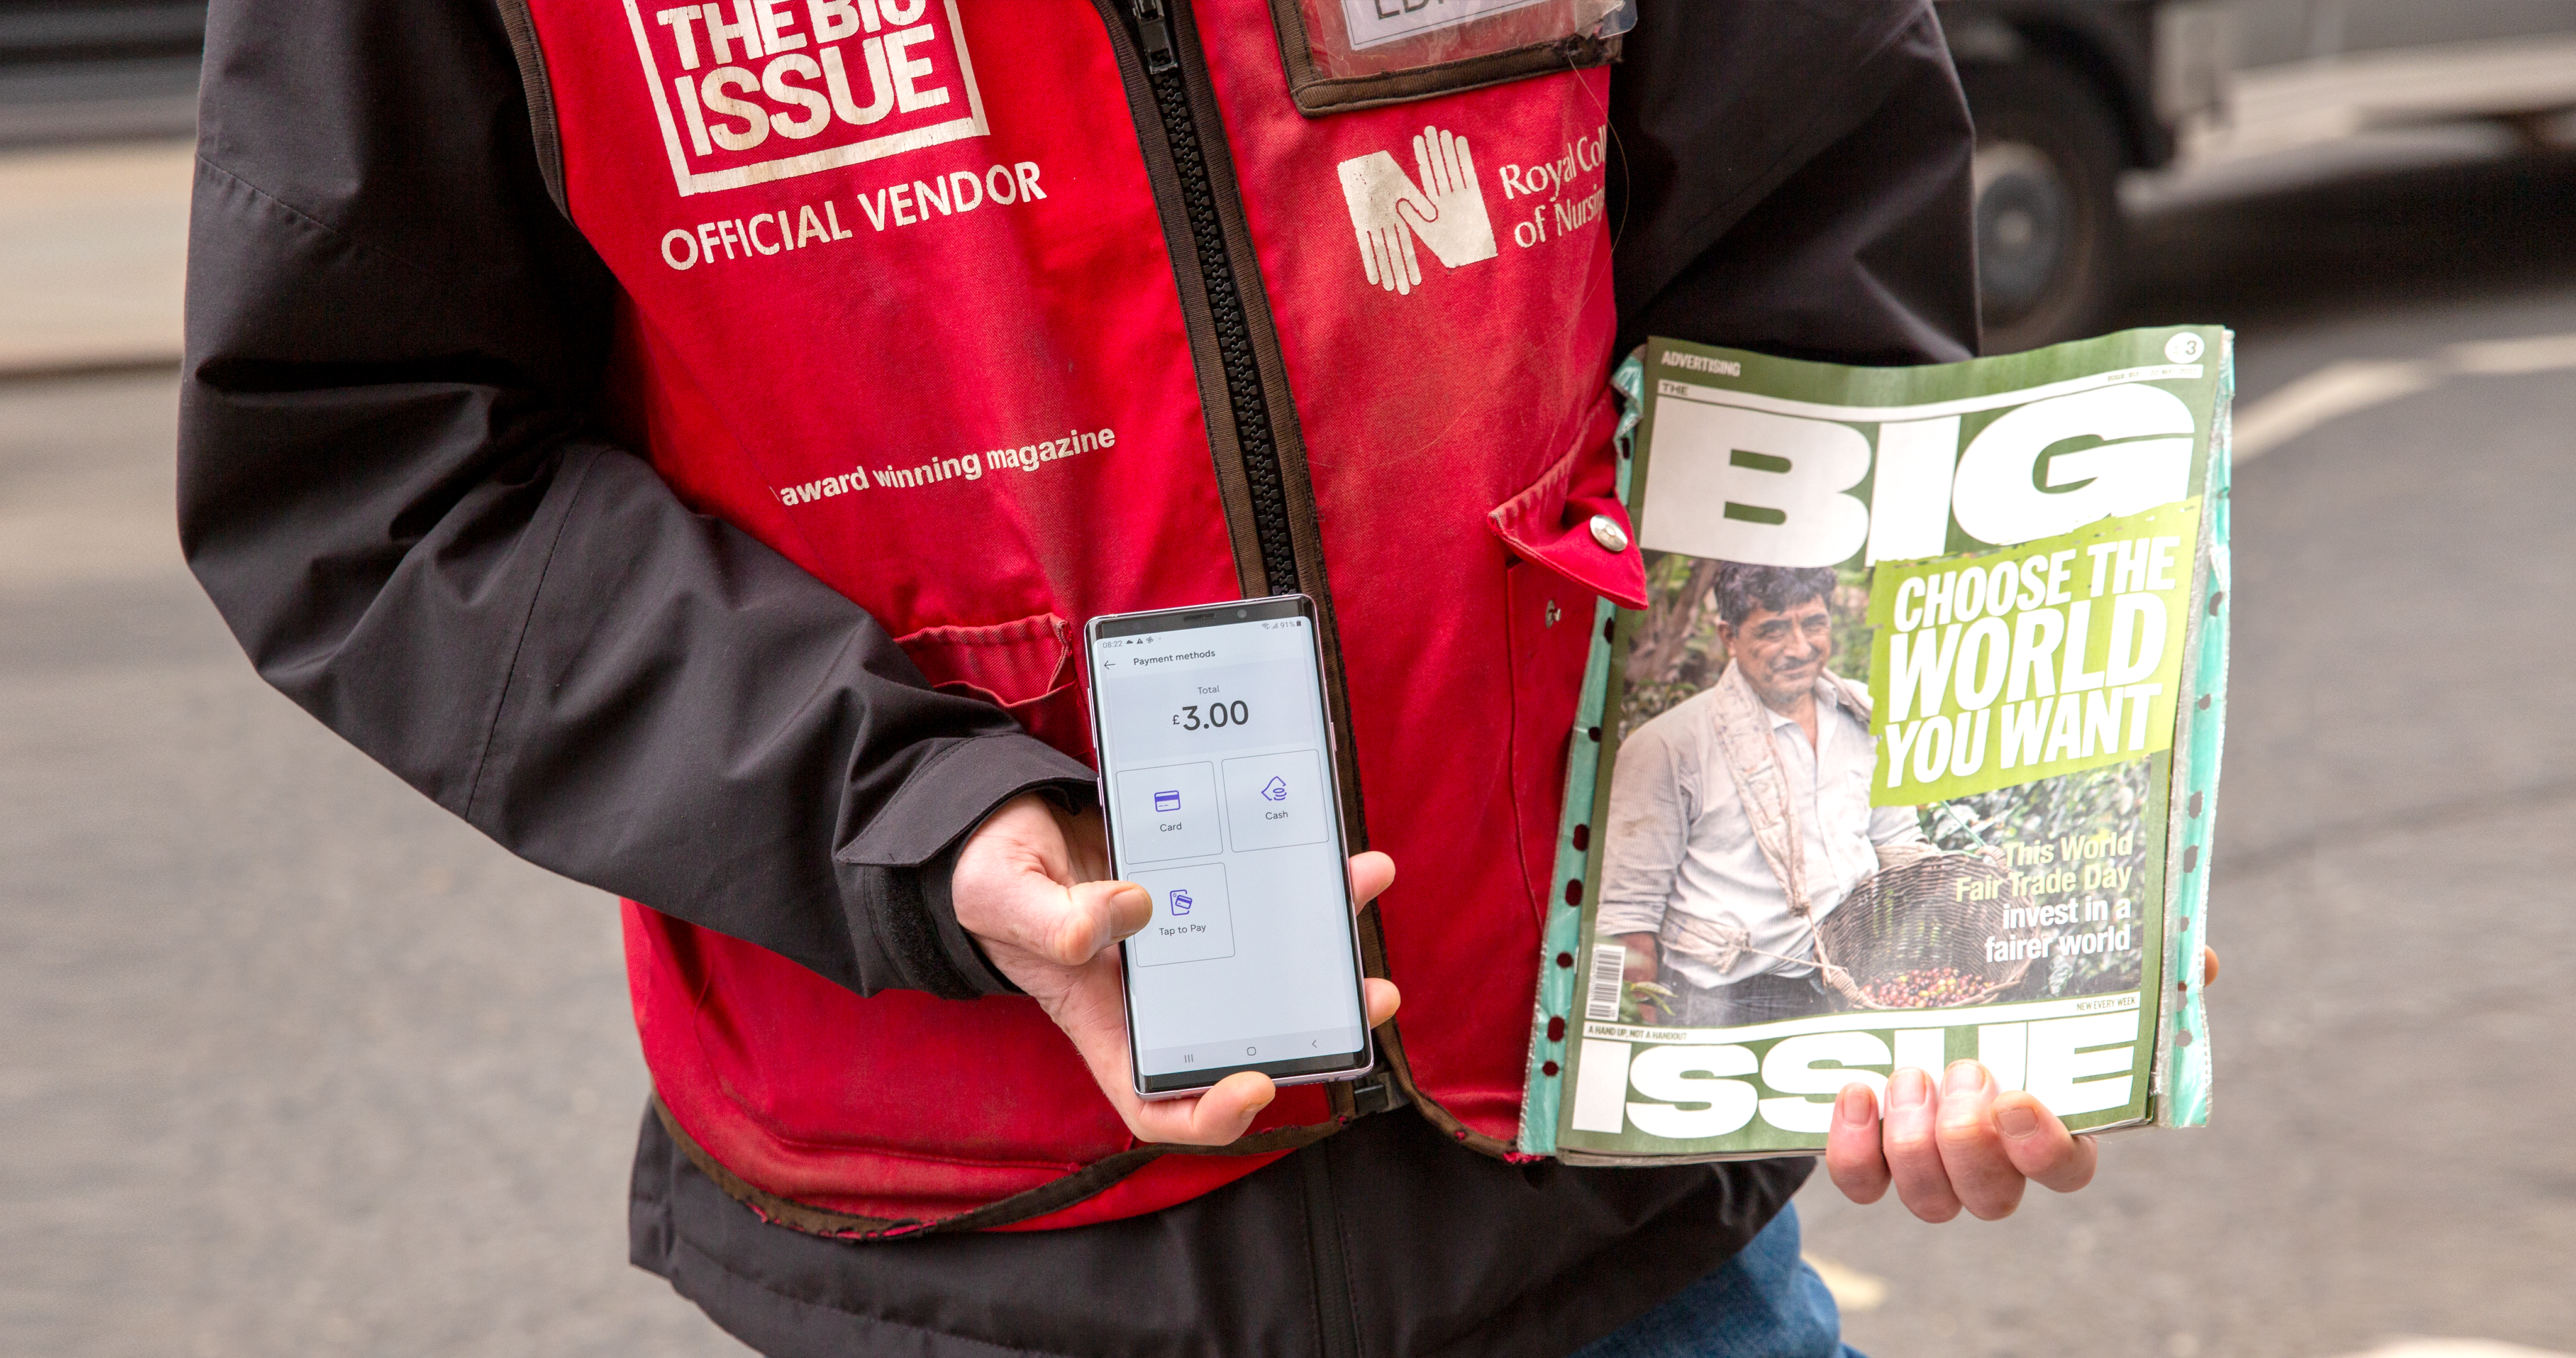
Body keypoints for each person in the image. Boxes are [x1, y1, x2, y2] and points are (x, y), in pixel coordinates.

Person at [177, 0, 2161, 1353]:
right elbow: (371, 458)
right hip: (970, 1255)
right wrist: (918, 821)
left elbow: (1809, 281)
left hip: (1611, 1249)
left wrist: (1946, 894)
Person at [1600, 563, 1926, 1029]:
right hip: (1726, 999)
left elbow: (1898, 842)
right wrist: (1642, 1030)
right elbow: (1629, 914)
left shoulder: (1864, 717)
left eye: (1814, 623)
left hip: (1853, 980)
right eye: (1773, 630)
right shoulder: (1669, 747)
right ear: (1728, 637)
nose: (1800, 647)